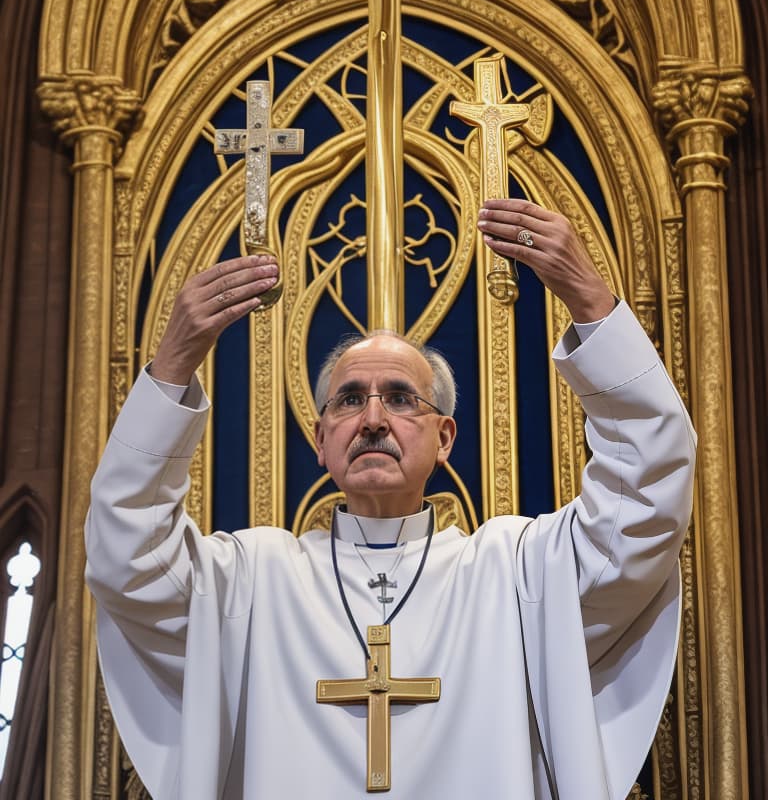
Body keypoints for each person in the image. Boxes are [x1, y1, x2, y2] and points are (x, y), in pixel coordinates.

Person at [85, 198, 696, 800]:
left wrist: (591, 301)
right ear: (321, 441)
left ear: (446, 438)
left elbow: (645, 498)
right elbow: (126, 553)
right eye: (349, 400)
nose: (373, 418)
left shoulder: (516, 571)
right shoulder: (252, 579)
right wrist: (171, 364)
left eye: (402, 399)